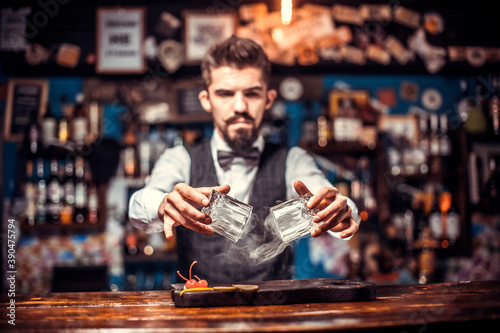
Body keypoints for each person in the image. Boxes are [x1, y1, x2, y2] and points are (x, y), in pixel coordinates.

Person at [128, 35, 360, 283]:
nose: (240, 106)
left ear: (268, 100)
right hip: (198, 314)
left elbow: (330, 198)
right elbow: (138, 205)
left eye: (251, 93)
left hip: (274, 314)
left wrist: (340, 212)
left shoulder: (293, 160)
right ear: (207, 100)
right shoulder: (180, 158)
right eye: (225, 94)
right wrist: (163, 203)